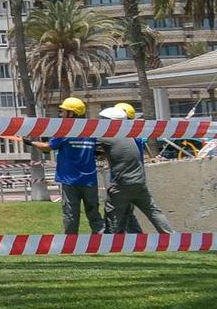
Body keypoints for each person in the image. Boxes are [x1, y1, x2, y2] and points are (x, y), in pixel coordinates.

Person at [97, 103, 175, 236]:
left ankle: (110, 242)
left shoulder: (107, 137)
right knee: (153, 211)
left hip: (122, 185)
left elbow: (90, 146)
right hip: (139, 182)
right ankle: (171, 236)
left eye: (103, 120)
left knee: (113, 213)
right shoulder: (130, 135)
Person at [32, 95, 104, 235]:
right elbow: (99, 150)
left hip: (70, 181)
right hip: (90, 181)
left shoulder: (65, 131)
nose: (61, 114)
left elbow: (48, 147)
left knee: (71, 214)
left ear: (72, 114)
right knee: (94, 214)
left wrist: (30, 143)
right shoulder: (91, 131)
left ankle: (71, 243)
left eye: (64, 111)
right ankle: (103, 241)